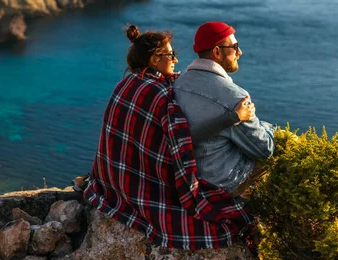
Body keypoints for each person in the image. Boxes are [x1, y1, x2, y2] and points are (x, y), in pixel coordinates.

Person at [83, 24, 256, 250]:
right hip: (147, 186)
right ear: (155, 60)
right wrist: (232, 117)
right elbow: (182, 141)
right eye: (171, 55)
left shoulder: (126, 83)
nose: (175, 60)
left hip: (113, 178)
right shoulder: (161, 95)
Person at [173, 22, 276, 198]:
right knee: (271, 159)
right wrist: (270, 128)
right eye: (235, 47)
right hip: (219, 184)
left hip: (183, 177)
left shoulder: (178, 83)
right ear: (217, 52)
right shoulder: (235, 98)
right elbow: (263, 149)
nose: (240, 52)